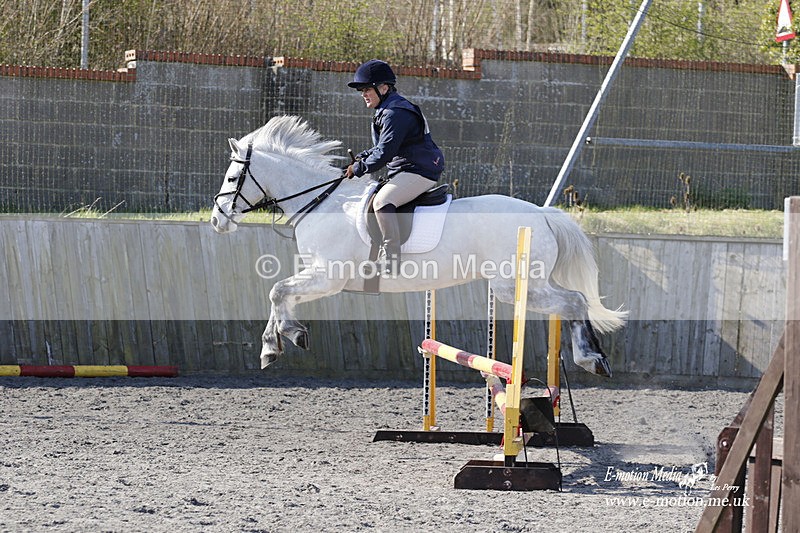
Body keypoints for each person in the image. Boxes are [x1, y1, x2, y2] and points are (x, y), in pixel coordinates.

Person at [344, 59, 445, 275]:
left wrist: (360, 168)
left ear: (383, 88)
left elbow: (384, 153)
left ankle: (391, 258)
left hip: (419, 169)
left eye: (367, 89)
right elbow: (380, 148)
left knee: (382, 201)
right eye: (362, 90)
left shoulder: (394, 113)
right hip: (408, 167)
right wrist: (360, 159)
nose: (363, 94)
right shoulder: (386, 109)